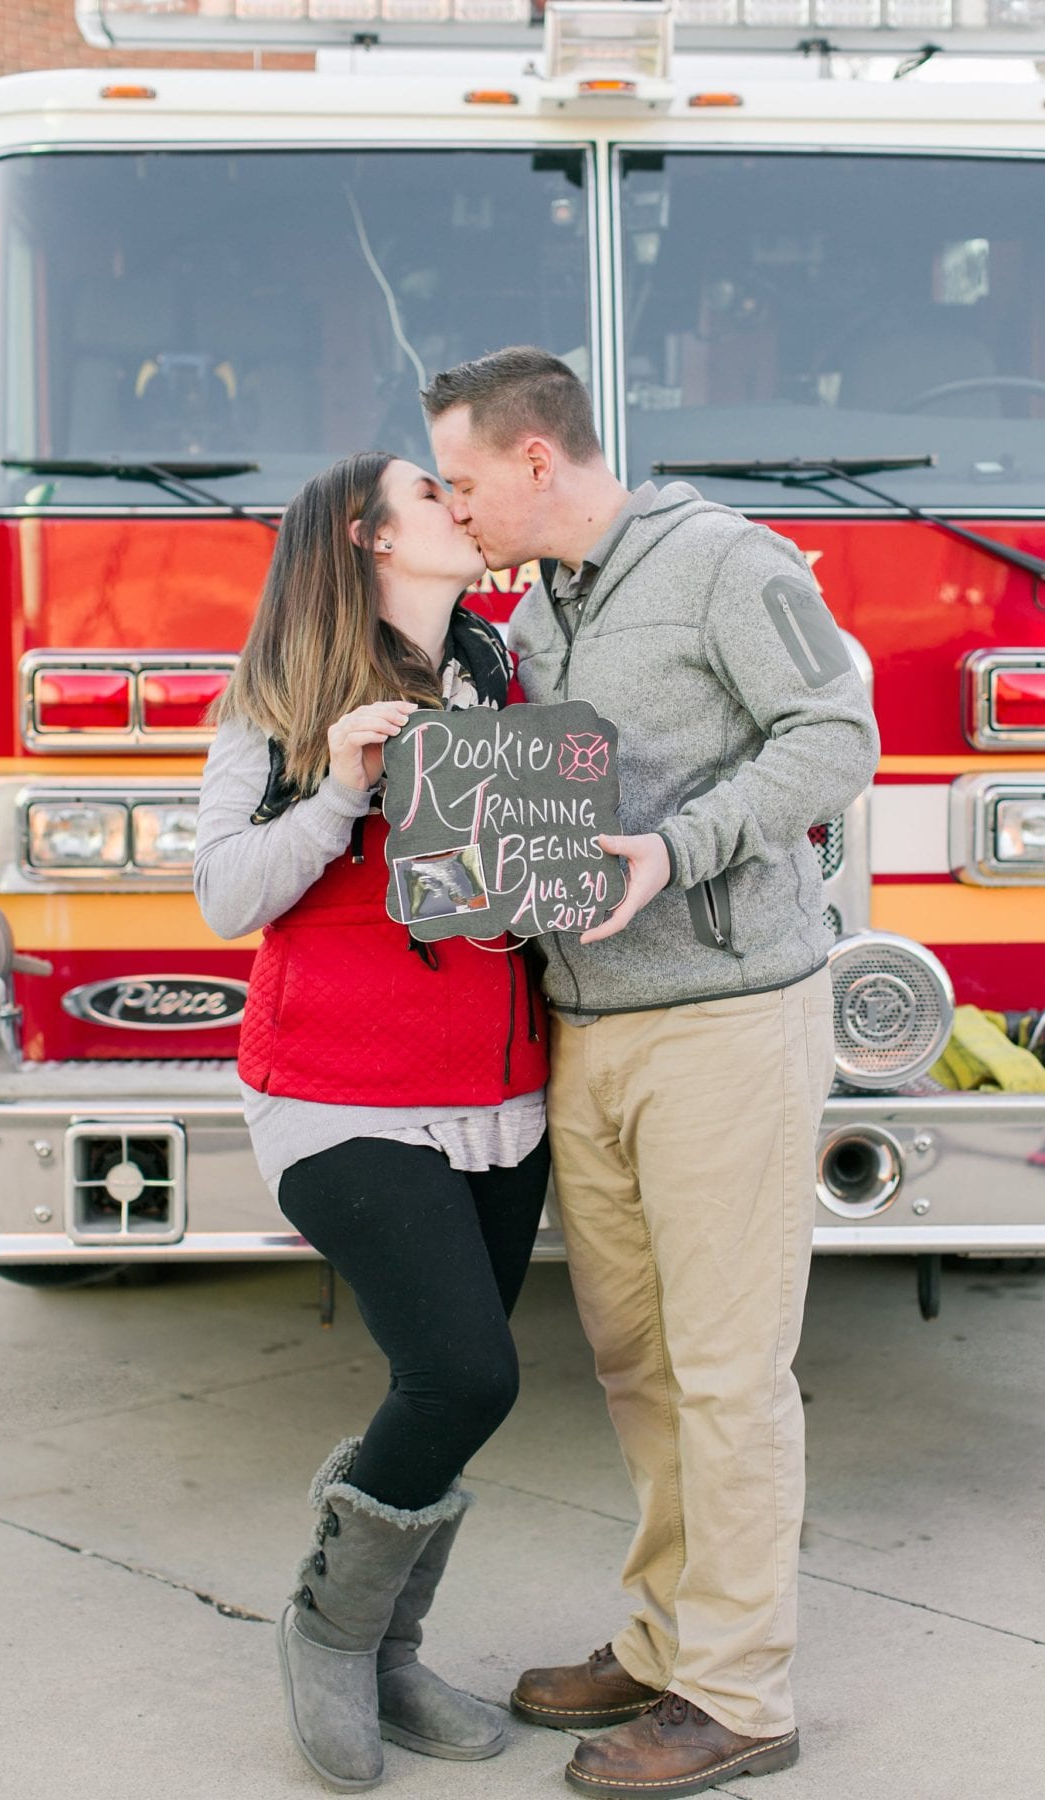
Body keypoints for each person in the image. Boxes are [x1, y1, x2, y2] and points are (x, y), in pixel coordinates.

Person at [425, 348, 881, 1797]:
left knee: (729, 1373)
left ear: (538, 460)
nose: (455, 505)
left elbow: (838, 736)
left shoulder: (723, 564)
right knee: (636, 1363)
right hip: (594, 1029)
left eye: (464, 478)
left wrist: (676, 850)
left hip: (728, 1024)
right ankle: (667, 1637)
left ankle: (739, 1696)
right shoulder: (537, 612)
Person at [193, 452, 549, 1791]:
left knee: (450, 1398)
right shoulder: (272, 699)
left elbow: (507, 884)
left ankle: (396, 1653)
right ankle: (329, 1635)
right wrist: (338, 780)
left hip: (502, 1093)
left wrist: (534, 892)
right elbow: (228, 896)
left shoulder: (507, 674)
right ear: (365, 534)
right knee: (468, 1373)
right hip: (337, 1098)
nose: (462, 508)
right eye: (429, 492)